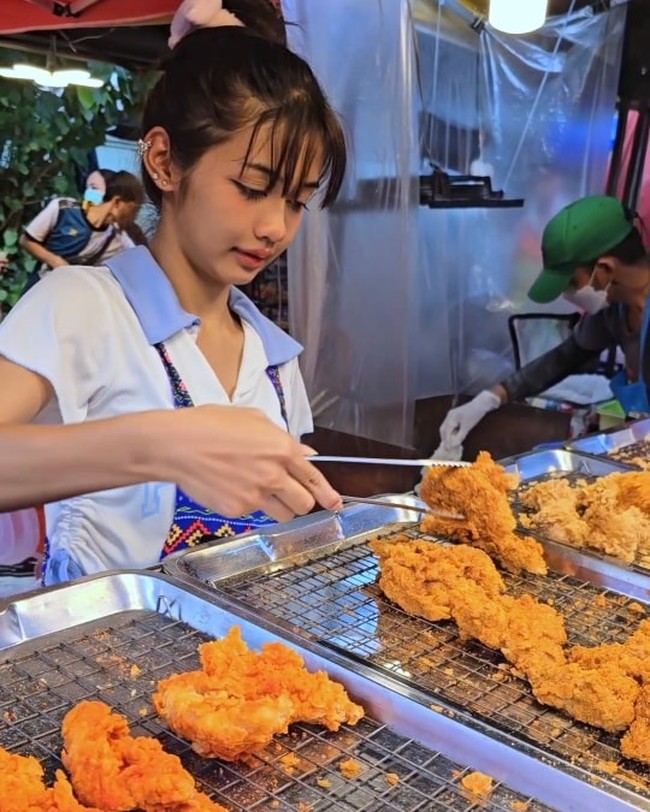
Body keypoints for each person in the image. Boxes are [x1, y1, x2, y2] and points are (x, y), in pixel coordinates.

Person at [0, 0, 347, 585]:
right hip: (98, 661)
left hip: (240, 664)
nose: (275, 227)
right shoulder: (81, 304)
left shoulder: (273, 360)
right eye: (253, 187)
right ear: (163, 160)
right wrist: (163, 443)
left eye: (296, 201)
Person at [437, 195, 650, 452]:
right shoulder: (614, 311)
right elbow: (564, 358)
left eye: (571, 283)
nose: (568, 295)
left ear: (604, 269)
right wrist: (490, 398)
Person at [19, 169, 144, 281]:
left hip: (70, 294)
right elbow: (26, 241)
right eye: (132, 209)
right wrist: (57, 262)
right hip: (40, 284)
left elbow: (136, 263)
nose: (134, 216)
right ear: (116, 202)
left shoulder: (115, 238)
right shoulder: (63, 208)